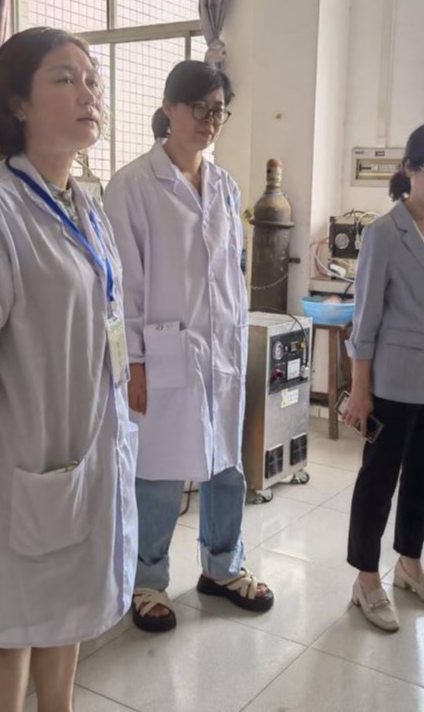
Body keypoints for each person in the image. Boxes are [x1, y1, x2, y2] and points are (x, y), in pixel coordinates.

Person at [0, 27, 138, 711]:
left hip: (83, 448)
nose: (88, 93)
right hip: (14, 464)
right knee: (9, 630)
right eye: (64, 79)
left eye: (92, 79)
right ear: (17, 103)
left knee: (67, 611)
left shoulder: (87, 204)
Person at [102, 60, 273, 634]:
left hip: (221, 353)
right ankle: (146, 581)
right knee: (156, 475)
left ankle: (222, 567)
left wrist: (236, 339)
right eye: (198, 108)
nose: (209, 120)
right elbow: (122, 287)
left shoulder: (225, 186)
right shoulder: (132, 185)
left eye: (218, 110)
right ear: (169, 109)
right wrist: (134, 362)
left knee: (227, 467)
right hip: (160, 355)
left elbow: (230, 275)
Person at [341, 121, 424, 632]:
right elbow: (366, 320)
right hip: (392, 383)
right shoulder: (384, 233)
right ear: (409, 169)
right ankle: (366, 579)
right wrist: (360, 392)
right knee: (378, 482)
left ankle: (410, 566)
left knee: (423, 477)